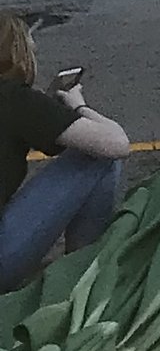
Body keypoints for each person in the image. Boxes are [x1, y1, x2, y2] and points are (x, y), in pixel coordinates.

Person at [0, 16, 132, 293]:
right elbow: (117, 143)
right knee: (98, 158)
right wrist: (77, 106)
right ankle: (81, 276)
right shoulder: (16, 99)